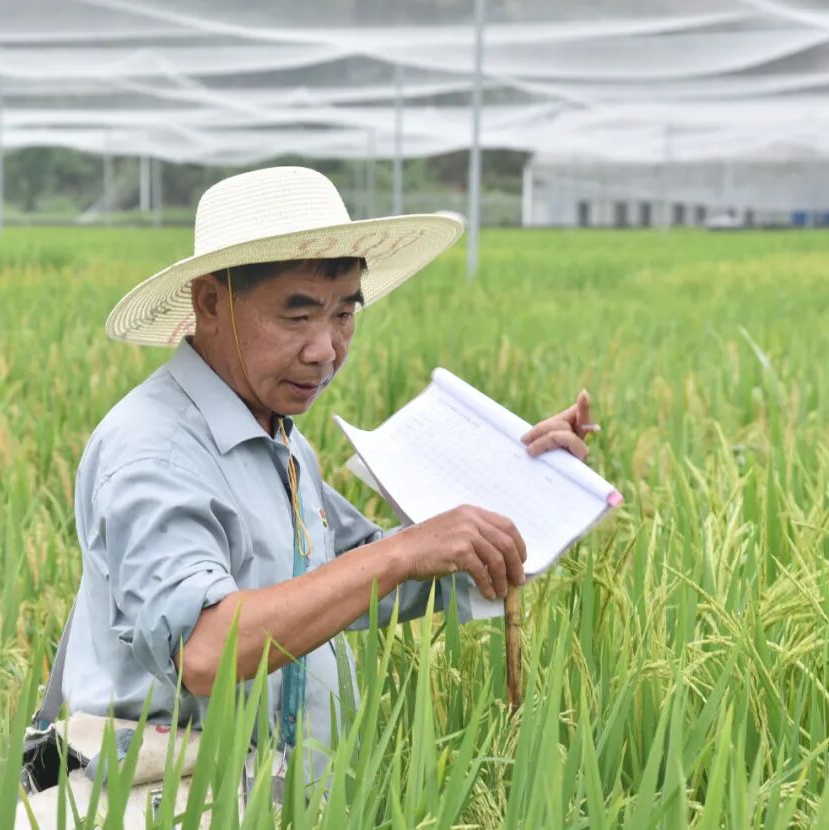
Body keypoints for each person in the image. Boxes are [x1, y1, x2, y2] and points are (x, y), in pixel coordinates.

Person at [62, 166, 598, 790]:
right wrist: (402, 553)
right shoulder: (155, 453)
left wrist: (529, 490)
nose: (326, 349)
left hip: (280, 798)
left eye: (345, 313)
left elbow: (360, 573)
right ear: (210, 302)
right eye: (297, 317)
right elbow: (205, 650)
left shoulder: (277, 438)